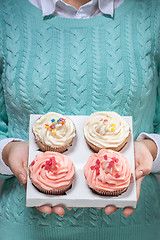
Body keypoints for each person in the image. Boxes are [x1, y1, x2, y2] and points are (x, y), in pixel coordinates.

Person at [0, 0, 160, 239]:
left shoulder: (151, 13)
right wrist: (7, 151)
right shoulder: (6, 13)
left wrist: (151, 149)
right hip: (23, 229)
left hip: (137, 229)